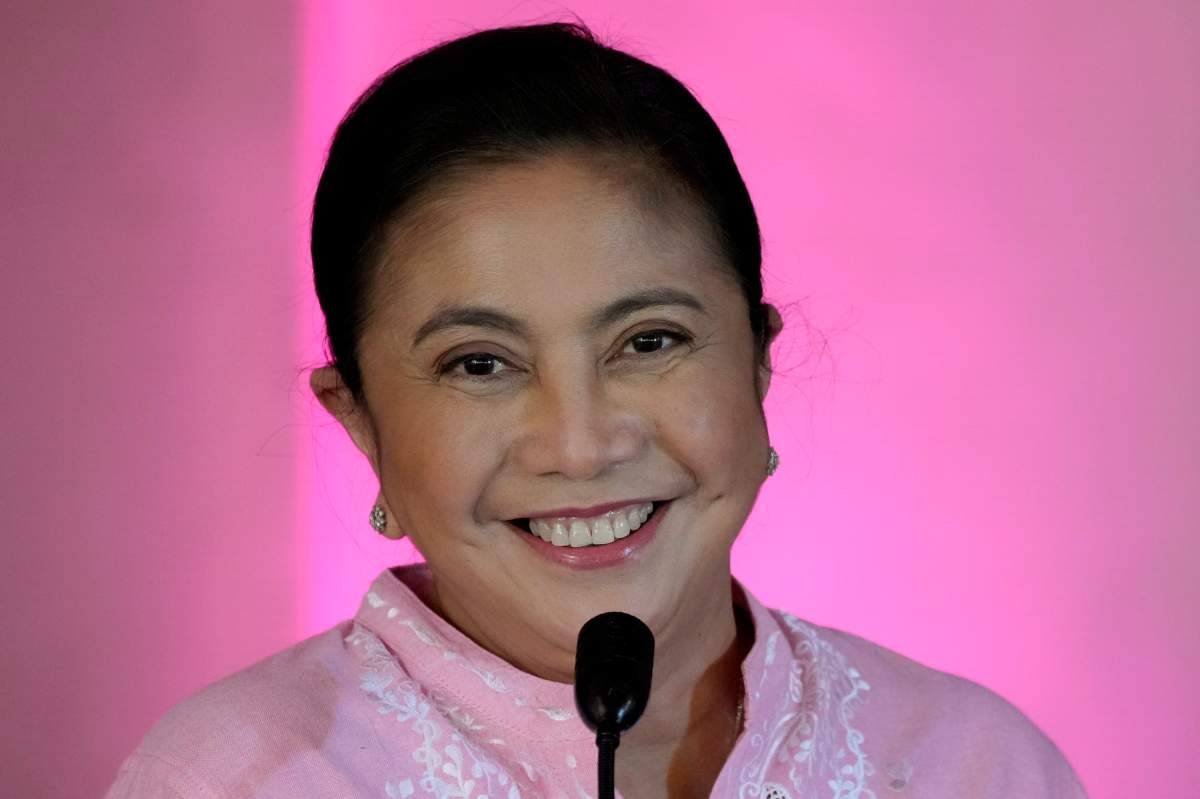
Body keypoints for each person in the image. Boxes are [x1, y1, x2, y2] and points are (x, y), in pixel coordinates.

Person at [105, 21, 1089, 799]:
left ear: (756, 367)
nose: (580, 445)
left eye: (648, 342)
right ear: (360, 421)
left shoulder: (978, 765)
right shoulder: (235, 779)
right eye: (480, 362)